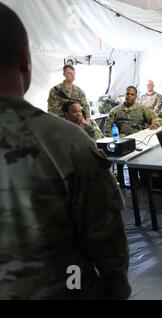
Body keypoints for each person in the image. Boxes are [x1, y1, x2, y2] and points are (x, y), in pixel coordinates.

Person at [0, 3, 131, 299]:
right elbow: (106, 235)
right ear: (25, 61)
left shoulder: (74, 122)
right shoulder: (66, 143)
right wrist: (117, 289)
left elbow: (85, 111)